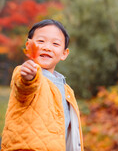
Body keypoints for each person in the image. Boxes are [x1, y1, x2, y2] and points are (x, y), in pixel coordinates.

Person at [1, 19, 84, 151]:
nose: (47, 47)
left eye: (55, 43)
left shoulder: (67, 90)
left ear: (64, 53)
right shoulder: (25, 73)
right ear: (28, 46)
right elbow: (24, 86)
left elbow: (69, 131)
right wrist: (28, 77)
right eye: (41, 41)